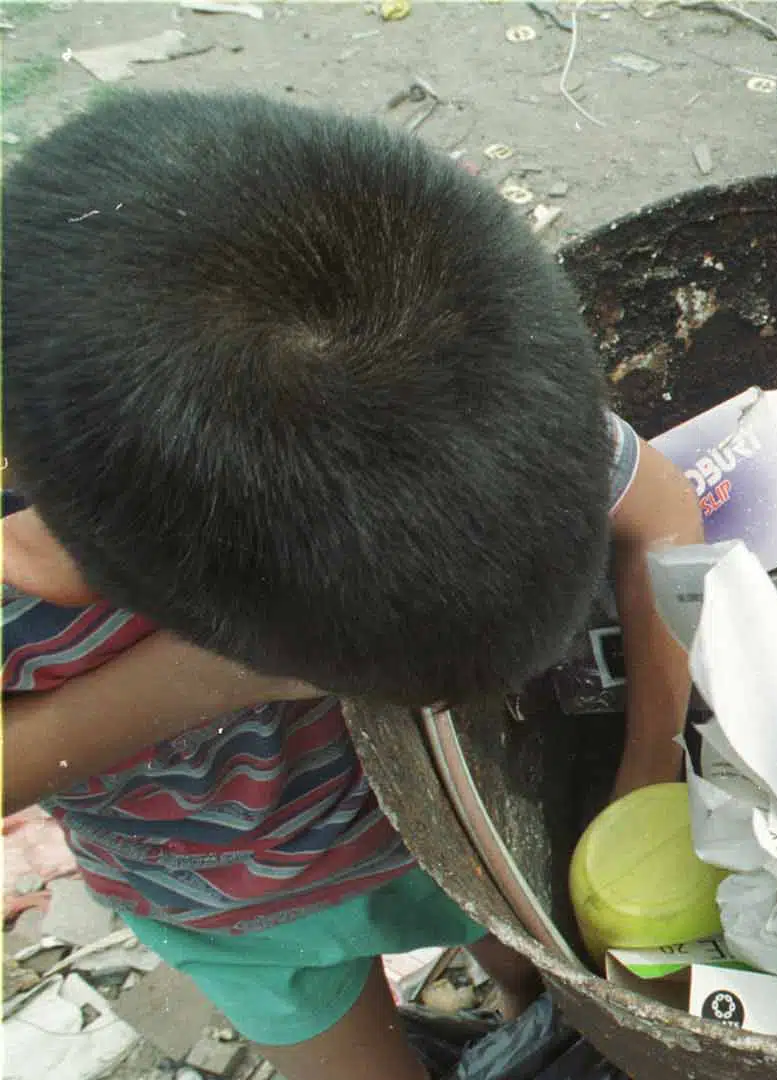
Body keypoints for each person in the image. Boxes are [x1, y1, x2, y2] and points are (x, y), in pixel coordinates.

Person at [2, 91, 700, 1080]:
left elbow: (657, 507)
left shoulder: (431, 384)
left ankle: (515, 1010)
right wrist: (202, 682)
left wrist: (646, 775)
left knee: (537, 985)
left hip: (433, 833)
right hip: (220, 904)